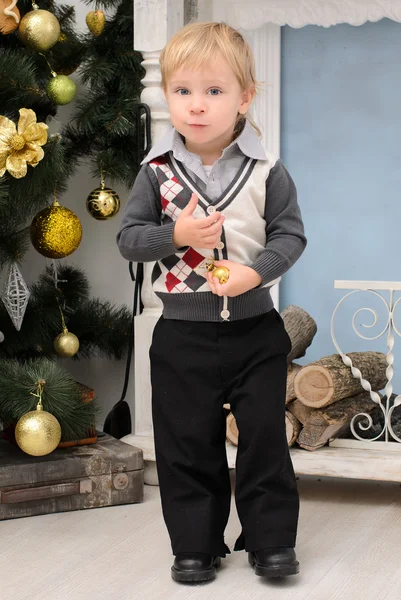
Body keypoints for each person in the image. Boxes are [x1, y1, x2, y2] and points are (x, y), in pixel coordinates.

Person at [117, 21, 307, 584]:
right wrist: (176, 236)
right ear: (167, 96)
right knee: (185, 445)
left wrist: (255, 273)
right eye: (183, 91)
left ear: (245, 96)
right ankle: (196, 545)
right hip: (182, 336)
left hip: (255, 331)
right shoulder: (155, 174)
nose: (196, 106)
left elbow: (289, 237)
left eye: (214, 91)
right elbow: (129, 239)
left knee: (265, 442)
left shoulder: (268, 171)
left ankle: (271, 543)